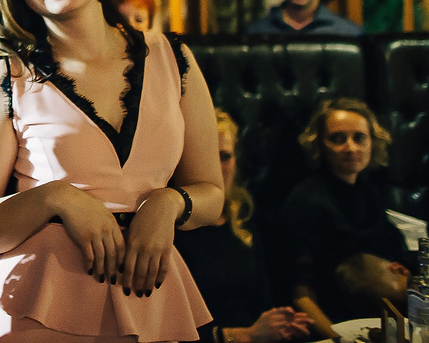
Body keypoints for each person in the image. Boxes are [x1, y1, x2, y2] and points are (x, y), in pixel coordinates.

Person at [0, 0, 225, 342]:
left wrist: (167, 204)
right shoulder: (5, 79)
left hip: (152, 298)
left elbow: (212, 195)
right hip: (40, 310)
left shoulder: (174, 58)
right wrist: (56, 198)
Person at [279, 98, 414, 338]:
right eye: (337, 138)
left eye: (359, 138)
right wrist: (339, 338)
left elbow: (397, 255)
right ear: (320, 144)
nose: (350, 148)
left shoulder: (369, 192)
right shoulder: (305, 202)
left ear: (372, 142)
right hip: (338, 324)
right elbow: (301, 295)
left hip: (389, 319)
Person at [176, 109, 313, 343]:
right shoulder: (170, 229)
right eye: (206, 158)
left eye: (225, 156)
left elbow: (262, 301)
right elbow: (163, 328)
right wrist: (243, 335)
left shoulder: (242, 216)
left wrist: (283, 324)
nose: (216, 168)